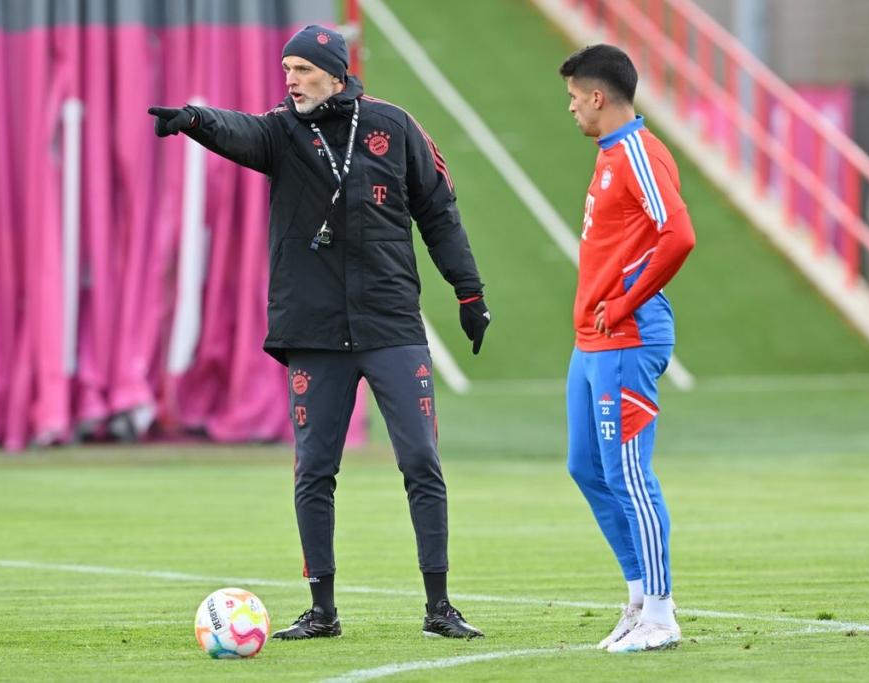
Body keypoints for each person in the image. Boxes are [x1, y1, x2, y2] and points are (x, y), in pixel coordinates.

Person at [149, 24, 489, 640]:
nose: (291, 82)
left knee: (420, 460)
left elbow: (439, 213)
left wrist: (469, 292)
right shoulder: (281, 130)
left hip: (391, 325)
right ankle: (323, 611)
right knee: (314, 470)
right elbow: (239, 129)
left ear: (336, 72)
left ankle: (440, 607)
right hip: (314, 331)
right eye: (286, 71)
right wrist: (195, 119)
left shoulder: (396, 126)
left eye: (303, 70)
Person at [558, 44, 696, 653]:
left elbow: (679, 235)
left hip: (627, 335)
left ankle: (662, 617)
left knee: (629, 475)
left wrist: (623, 300)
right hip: (592, 339)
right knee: (586, 467)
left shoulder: (639, 150)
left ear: (597, 96)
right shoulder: (608, 155)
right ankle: (639, 598)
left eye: (571, 97)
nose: (569, 108)